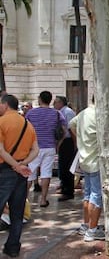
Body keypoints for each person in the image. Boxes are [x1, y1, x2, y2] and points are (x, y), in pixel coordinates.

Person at [0, 94, 39, 257]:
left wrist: (15, 165)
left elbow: (1, 150)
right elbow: (36, 150)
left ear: (5, 105)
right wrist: (22, 165)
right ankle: (13, 247)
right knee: (17, 213)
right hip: (21, 172)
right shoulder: (28, 124)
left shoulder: (1, 122)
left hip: (4, 171)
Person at [69, 96, 105, 242]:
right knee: (96, 196)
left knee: (88, 194)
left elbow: (71, 124)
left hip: (85, 159)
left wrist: (80, 141)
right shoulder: (101, 114)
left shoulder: (84, 112)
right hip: (96, 160)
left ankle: (86, 225)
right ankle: (92, 230)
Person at [26, 91, 67, 207]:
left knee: (30, 173)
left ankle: (24, 200)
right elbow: (64, 130)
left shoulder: (31, 113)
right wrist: (58, 144)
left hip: (34, 148)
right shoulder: (57, 114)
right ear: (50, 100)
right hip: (50, 147)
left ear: (39, 99)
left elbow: (25, 128)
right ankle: (43, 199)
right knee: (46, 173)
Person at [54, 96, 76, 201]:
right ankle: (64, 187)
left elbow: (71, 129)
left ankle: (68, 191)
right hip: (62, 141)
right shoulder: (60, 112)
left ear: (61, 103)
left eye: (56, 102)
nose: (54, 104)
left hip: (67, 142)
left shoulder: (68, 112)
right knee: (62, 165)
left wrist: (75, 143)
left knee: (67, 166)